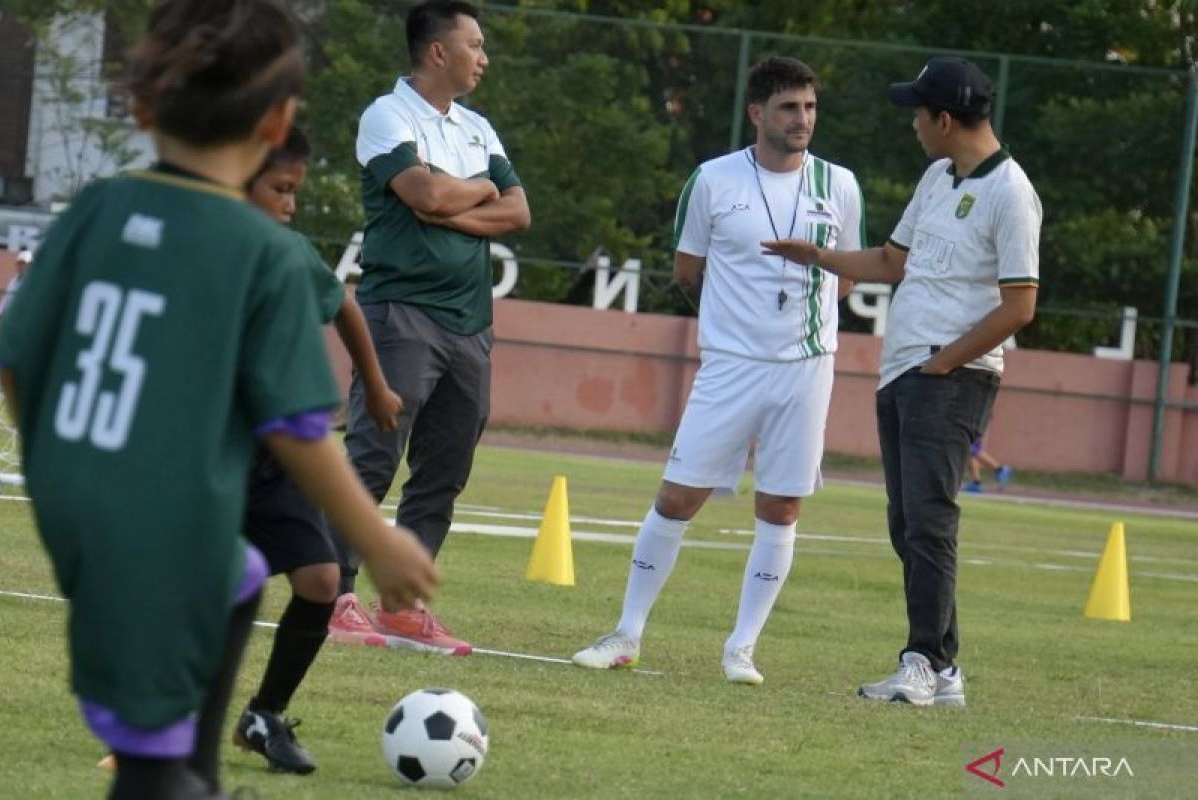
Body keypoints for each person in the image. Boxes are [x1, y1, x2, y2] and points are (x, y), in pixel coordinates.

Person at [0, 2, 437, 798]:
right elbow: (301, 432)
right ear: (278, 122)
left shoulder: (93, 210)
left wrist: (66, 464)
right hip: (169, 528)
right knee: (151, 763)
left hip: (78, 508)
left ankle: (193, 769)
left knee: (235, 578)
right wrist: (376, 540)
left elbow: (17, 358)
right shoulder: (258, 251)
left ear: (139, 104)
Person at [572, 56, 865, 685]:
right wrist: (735, 322)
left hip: (806, 368)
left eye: (810, 107)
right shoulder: (712, 180)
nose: (803, 119)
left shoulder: (839, 184)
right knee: (677, 497)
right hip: (729, 366)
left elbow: (846, 274)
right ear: (758, 113)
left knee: (782, 507)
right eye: (789, 108)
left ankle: (741, 650)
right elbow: (687, 271)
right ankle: (626, 634)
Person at [763, 56, 1041, 706]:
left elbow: (1020, 303)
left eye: (918, 113)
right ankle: (943, 672)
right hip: (906, 373)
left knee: (930, 519)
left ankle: (920, 662)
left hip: (950, 377)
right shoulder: (939, 176)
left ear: (944, 119)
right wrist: (820, 256)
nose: (913, 124)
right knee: (907, 523)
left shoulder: (1010, 192)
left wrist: (946, 361)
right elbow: (892, 261)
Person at [328, 0, 530, 655]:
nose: (484, 57)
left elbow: (520, 212)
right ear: (438, 51)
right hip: (400, 314)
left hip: (471, 324)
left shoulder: (478, 127)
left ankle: (403, 607)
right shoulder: (387, 115)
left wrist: (453, 203)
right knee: (374, 456)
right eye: (474, 44)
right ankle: (335, 597)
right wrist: (472, 193)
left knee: (444, 467)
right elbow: (423, 195)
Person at [232, 126, 405, 775]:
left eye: (294, 190)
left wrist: (380, 387)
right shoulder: (197, 258)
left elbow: (344, 308)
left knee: (322, 579)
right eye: (279, 188)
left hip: (278, 461)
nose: (290, 203)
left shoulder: (290, 253)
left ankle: (264, 715)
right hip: (208, 461)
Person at [0, 249, 32, 320]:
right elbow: (6, 298)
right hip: (10, 317)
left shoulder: (32, 282)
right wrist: (0, 312)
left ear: (30, 265)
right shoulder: (13, 281)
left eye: (24, 264)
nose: (21, 266)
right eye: (19, 263)